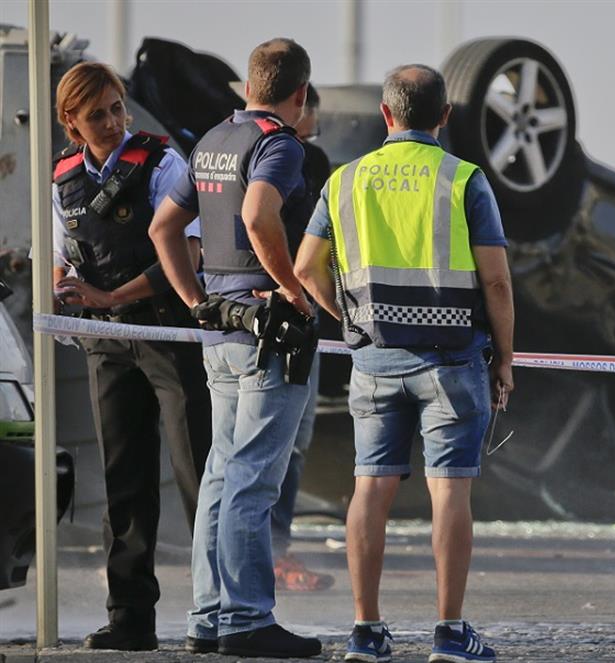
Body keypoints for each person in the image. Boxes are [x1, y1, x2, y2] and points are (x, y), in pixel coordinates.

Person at [294, 63, 514, 663]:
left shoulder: (343, 182)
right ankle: (449, 631)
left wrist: (350, 320)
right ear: (445, 117)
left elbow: (304, 266)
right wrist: (506, 358)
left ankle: (366, 631)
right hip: (452, 361)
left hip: (375, 359)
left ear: (385, 115)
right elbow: (495, 281)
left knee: (371, 488)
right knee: (451, 493)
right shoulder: (464, 179)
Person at [148, 38, 321, 659]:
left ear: (247, 86)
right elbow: (257, 215)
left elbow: (163, 227)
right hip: (268, 333)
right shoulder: (280, 144)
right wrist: (292, 290)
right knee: (251, 478)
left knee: (222, 474)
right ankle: (248, 618)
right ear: (299, 94)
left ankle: (209, 616)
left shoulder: (212, 141)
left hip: (219, 329)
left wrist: (196, 299)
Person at [49, 61, 211, 652]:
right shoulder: (63, 178)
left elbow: (188, 252)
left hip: (168, 335)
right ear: (71, 122)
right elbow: (62, 253)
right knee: (125, 484)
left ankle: (217, 611)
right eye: (98, 114)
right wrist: (61, 285)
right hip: (107, 344)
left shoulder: (163, 163)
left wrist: (112, 295)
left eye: (117, 107)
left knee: (197, 476)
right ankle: (130, 618)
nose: (114, 121)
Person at [271, 83, 334, 592]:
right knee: (279, 440)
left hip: (291, 314)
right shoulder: (299, 156)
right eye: (311, 104)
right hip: (285, 312)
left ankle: (273, 549)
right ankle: (270, 553)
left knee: (292, 439)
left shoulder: (310, 157)